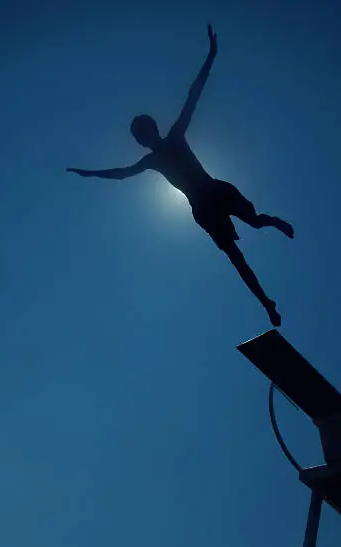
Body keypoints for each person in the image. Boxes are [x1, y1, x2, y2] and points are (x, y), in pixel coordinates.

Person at [67, 25, 294, 327]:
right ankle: (267, 304)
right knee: (236, 259)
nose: (142, 141)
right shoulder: (153, 158)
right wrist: (90, 173)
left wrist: (211, 56)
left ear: (150, 132)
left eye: (141, 135)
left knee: (254, 222)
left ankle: (273, 225)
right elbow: (122, 173)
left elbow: (193, 95)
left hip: (215, 192)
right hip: (203, 209)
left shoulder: (174, 137)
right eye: (139, 138)